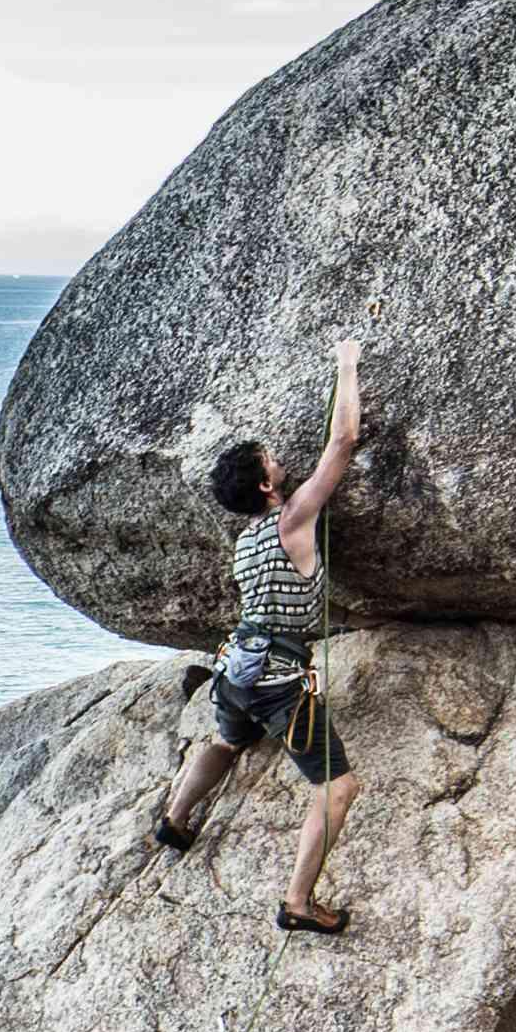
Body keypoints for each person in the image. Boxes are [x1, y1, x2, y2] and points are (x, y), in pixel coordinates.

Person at [156, 335, 366, 932]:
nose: (280, 459)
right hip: (278, 680)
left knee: (227, 742)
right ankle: (298, 904)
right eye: (272, 459)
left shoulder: (246, 540)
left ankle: (175, 818)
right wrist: (346, 365)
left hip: (235, 669)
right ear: (267, 488)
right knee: (337, 788)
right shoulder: (294, 518)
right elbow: (343, 442)